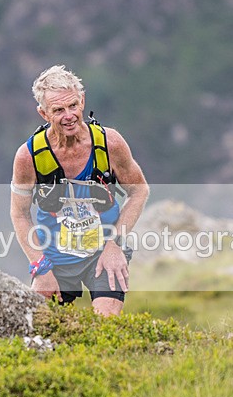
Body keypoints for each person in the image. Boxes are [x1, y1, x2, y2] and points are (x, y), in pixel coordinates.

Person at [10, 65, 149, 316]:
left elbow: (139, 191)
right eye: (58, 110)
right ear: (43, 113)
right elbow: (20, 214)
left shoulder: (109, 143)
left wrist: (114, 244)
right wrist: (41, 267)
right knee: (40, 329)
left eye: (73, 105)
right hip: (54, 260)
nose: (69, 115)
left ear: (82, 100)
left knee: (105, 328)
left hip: (103, 251)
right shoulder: (28, 156)